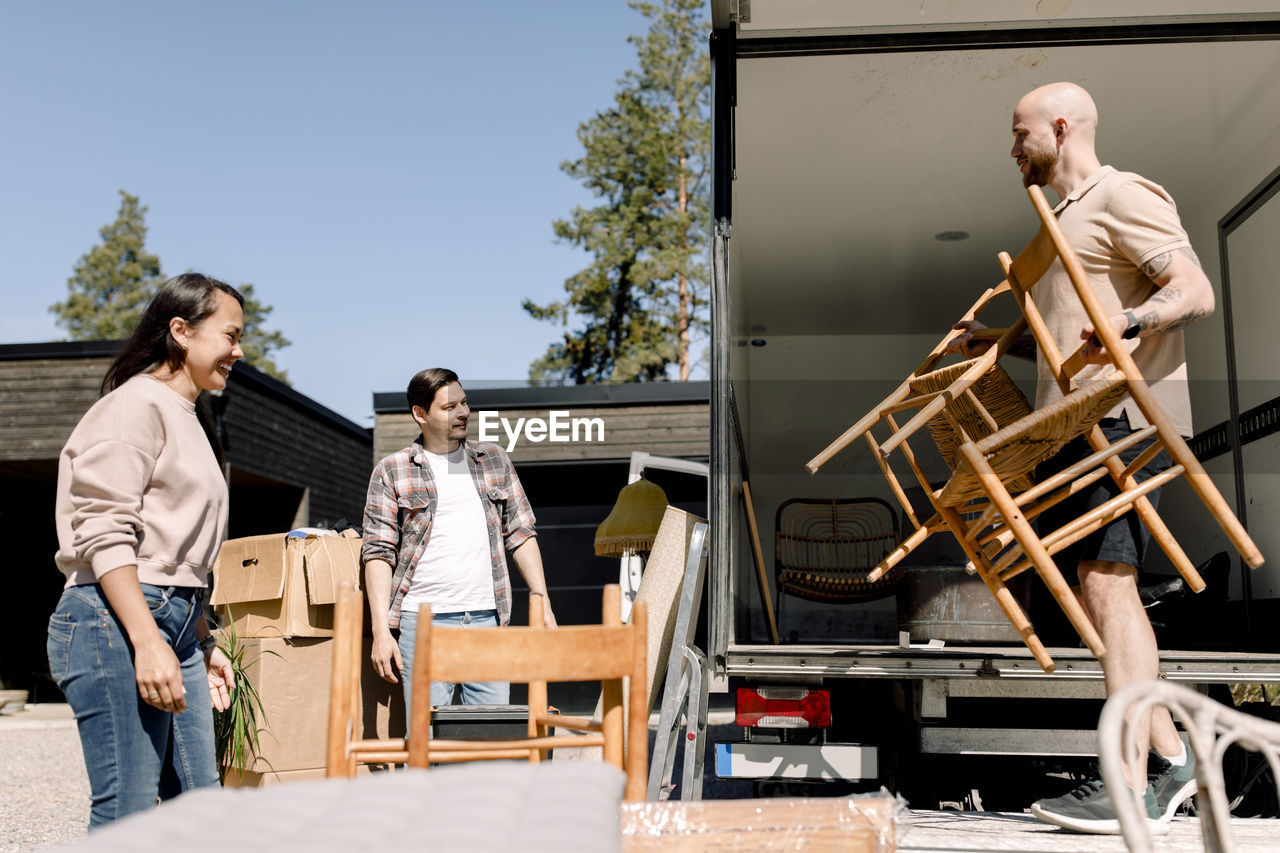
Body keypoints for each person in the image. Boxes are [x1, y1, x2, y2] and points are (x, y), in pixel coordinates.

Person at [950, 82, 1209, 835]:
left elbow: (1193, 289)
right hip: (1072, 428)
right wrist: (1000, 344)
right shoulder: (1058, 220)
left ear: (1059, 129)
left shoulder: (1122, 194)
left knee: (1107, 580)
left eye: (1019, 134)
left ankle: (1130, 784)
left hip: (1122, 418)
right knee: (1102, 594)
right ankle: (1173, 762)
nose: (1012, 149)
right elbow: (1068, 333)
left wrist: (1132, 320)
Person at [47, 273, 245, 827]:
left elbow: (175, 548)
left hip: (172, 628)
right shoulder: (134, 406)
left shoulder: (190, 418)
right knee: (127, 813)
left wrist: (200, 639)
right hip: (114, 623)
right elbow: (106, 529)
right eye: (229, 336)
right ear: (181, 331)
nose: (239, 350)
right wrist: (147, 639)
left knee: (197, 806)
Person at [362, 368, 555, 721]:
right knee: (426, 742)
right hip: (424, 624)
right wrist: (380, 631)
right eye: (449, 407)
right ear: (420, 414)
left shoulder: (493, 460)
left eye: (464, 402)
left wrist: (542, 601)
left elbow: (521, 533)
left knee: (491, 741)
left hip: (488, 620)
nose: (463, 413)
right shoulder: (392, 470)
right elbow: (378, 553)